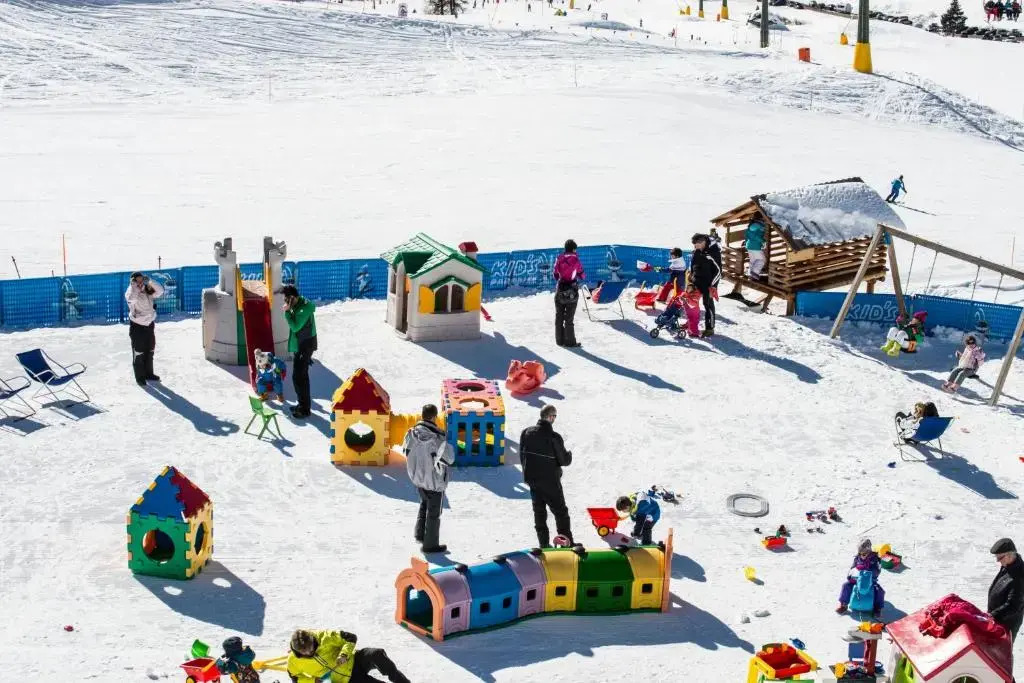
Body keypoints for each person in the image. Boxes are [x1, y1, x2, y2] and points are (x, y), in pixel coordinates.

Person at [519, 404, 574, 548]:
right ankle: (567, 544)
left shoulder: (526, 432)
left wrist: (527, 474)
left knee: (539, 513)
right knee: (561, 512)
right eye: (554, 416)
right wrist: (569, 455)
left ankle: (543, 544)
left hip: (533, 480)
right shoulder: (554, 437)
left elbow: (522, 456)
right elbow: (564, 460)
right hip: (550, 481)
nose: (554, 419)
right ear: (550, 417)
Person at [403, 404, 455, 554]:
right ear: (434, 417)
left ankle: (420, 534)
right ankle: (430, 545)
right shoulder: (436, 439)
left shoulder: (411, 433)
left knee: (424, 503)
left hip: (418, 477)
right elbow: (449, 459)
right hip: (434, 480)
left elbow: (405, 451)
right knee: (434, 512)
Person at [287, 629, 409, 683]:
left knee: (376, 654)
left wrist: (344, 654)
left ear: (312, 640)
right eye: (304, 652)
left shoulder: (324, 637)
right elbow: (295, 679)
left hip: (354, 660)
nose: (309, 653)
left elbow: (350, 638)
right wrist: (312, 681)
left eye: (310, 648)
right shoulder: (293, 660)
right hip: (345, 681)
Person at [281, 284, 317, 418]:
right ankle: (302, 404)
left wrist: (287, 312)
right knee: (299, 376)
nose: (285, 302)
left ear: (292, 297)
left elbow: (295, 326)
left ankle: (305, 409)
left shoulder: (304, 308)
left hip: (305, 346)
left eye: (287, 299)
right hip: (301, 345)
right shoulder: (297, 303)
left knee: (299, 377)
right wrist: (290, 309)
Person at [125, 271, 165, 386]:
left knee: (150, 350)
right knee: (139, 352)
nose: (140, 281)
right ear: (133, 281)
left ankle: (149, 374)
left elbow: (160, 291)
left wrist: (150, 281)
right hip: (137, 326)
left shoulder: (147, 289)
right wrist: (135, 287)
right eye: (137, 279)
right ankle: (140, 377)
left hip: (149, 324)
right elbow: (132, 299)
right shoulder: (130, 291)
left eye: (141, 278)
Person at [836, 538, 885, 617]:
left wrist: (867, 570)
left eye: (864, 554)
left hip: (870, 581)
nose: (862, 556)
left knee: (879, 591)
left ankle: (877, 608)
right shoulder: (857, 558)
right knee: (846, 585)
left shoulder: (875, 559)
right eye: (860, 553)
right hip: (857, 579)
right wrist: (850, 575)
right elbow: (852, 568)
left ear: (869, 551)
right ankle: (843, 604)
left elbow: (877, 571)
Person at [988, 538, 1024, 642]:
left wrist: (993, 615)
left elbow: (1013, 605)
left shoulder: (1020, 576)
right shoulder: (1009, 565)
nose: (998, 561)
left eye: (1000, 558)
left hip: (1006, 624)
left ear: (1009, 555)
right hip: (997, 619)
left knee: (1001, 650)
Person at [553, 239, 584, 348]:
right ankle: (570, 342)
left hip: (560, 289)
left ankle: (559, 340)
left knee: (559, 316)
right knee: (569, 318)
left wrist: (561, 278)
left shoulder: (559, 258)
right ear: (573, 249)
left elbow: (555, 274)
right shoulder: (576, 259)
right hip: (572, 291)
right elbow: (581, 274)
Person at [689, 233, 721, 337]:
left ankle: (710, 328)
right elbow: (692, 267)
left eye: (699, 242)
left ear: (705, 241)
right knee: (690, 303)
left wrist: (713, 286)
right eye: (695, 243)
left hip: (708, 284)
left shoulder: (713, 252)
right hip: (696, 281)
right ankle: (691, 324)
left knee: (708, 305)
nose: (697, 245)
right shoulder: (696, 252)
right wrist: (691, 280)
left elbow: (718, 271)